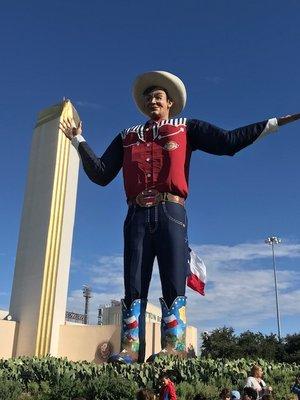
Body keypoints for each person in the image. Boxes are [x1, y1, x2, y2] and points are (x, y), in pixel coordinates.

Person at [60, 70, 300, 364]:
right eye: (148, 97)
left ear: (170, 102)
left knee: (173, 280)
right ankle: (130, 349)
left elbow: (228, 142)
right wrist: (78, 139)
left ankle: (172, 347)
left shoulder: (185, 128)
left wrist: (276, 123)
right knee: (133, 283)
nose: (152, 101)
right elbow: (100, 174)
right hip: (135, 214)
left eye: (158, 96)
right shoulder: (127, 136)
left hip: (171, 211)